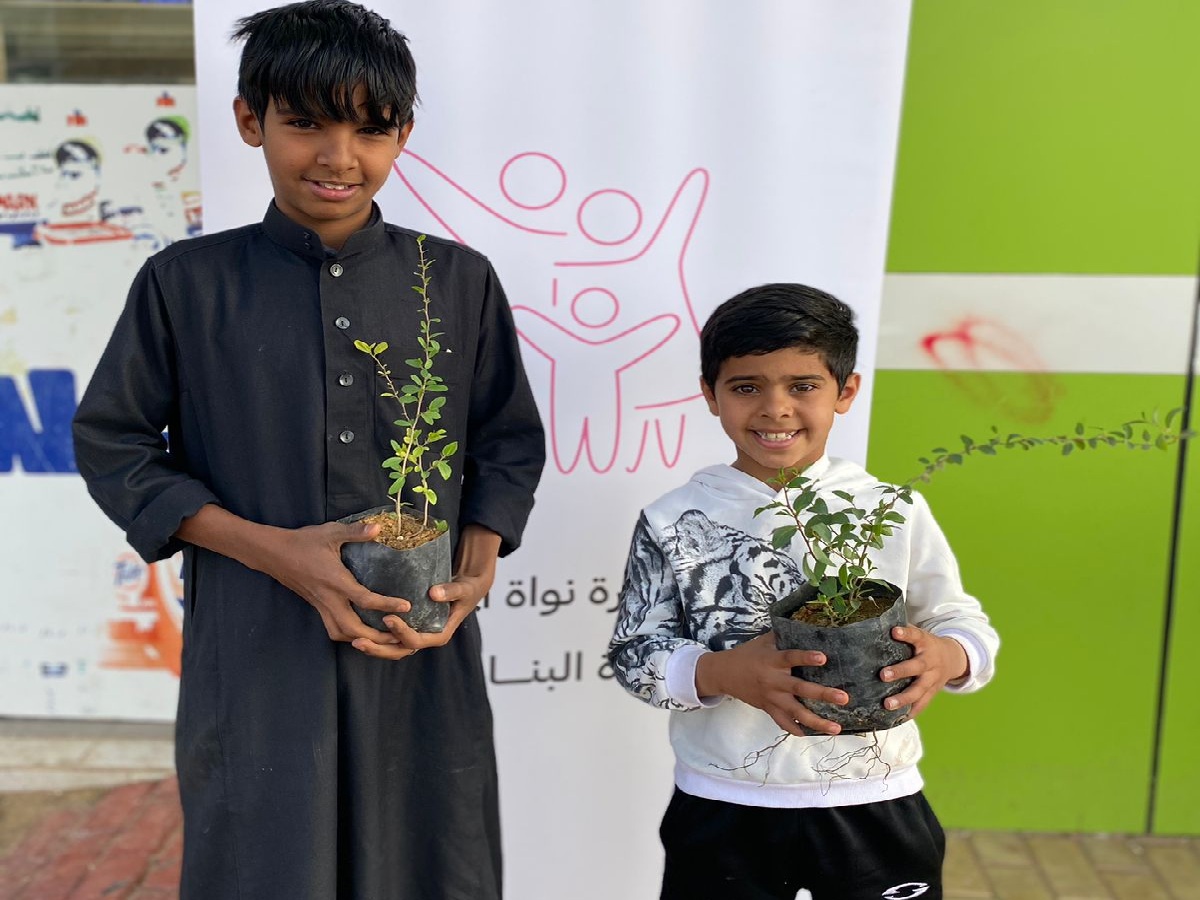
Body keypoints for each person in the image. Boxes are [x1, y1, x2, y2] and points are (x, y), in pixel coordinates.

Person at [72, 2, 545, 898]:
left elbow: (507, 440)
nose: (339, 156)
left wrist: (478, 562)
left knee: (430, 861)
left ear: (403, 135)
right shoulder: (185, 284)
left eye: (370, 130)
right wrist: (275, 552)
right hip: (256, 647)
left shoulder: (456, 280)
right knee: (264, 865)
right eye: (306, 124)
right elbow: (113, 441)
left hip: (418, 646)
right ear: (250, 120)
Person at [607, 283, 998, 899]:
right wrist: (722, 672)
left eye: (803, 385)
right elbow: (635, 654)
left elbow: (958, 617)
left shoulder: (891, 509)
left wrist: (950, 656)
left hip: (877, 797)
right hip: (723, 803)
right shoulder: (672, 520)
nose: (775, 408)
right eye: (746, 387)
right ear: (710, 394)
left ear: (846, 391)